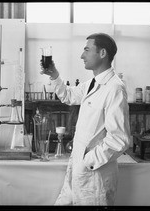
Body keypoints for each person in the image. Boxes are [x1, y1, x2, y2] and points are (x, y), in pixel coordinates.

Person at [40, 33, 131, 205]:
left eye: (87, 50)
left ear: (102, 53)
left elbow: (119, 139)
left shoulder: (115, 88)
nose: (82, 55)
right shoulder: (92, 83)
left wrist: (86, 160)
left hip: (95, 177)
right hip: (78, 172)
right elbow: (68, 96)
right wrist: (54, 75)